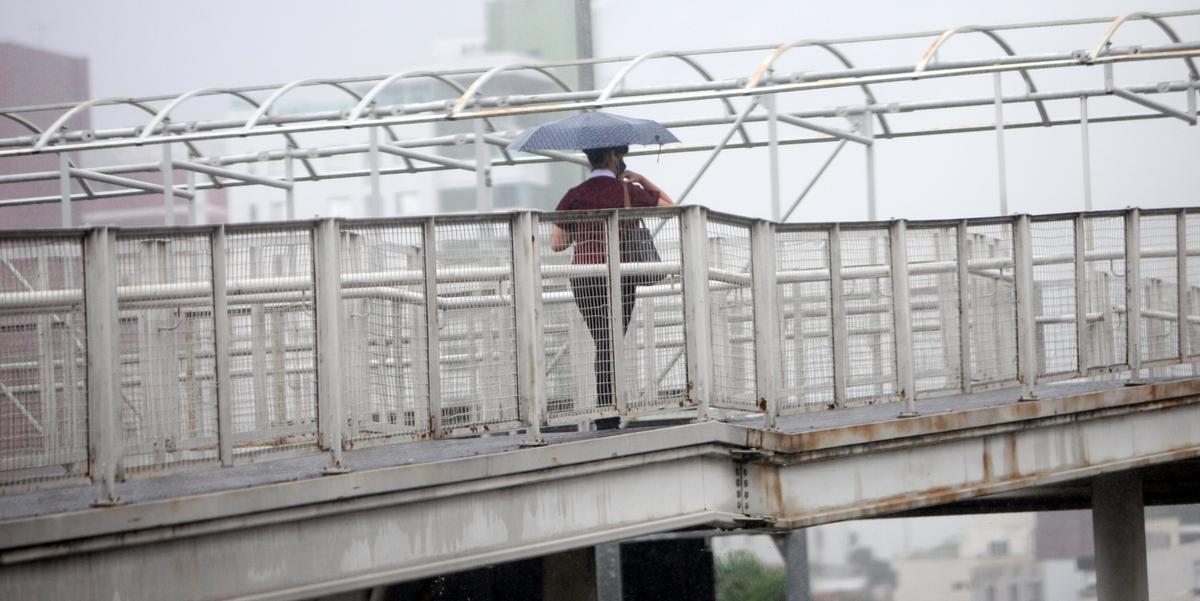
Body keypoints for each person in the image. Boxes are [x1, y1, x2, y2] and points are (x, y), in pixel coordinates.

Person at [550, 145, 675, 412]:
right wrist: (643, 181)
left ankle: (608, 406)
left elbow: (557, 244)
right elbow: (672, 207)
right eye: (620, 156)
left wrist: (581, 231)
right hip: (621, 276)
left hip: (584, 277)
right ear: (612, 158)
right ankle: (608, 408)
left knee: (604, 339)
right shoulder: (628, 191)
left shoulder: (574, 195)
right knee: (611, 339)